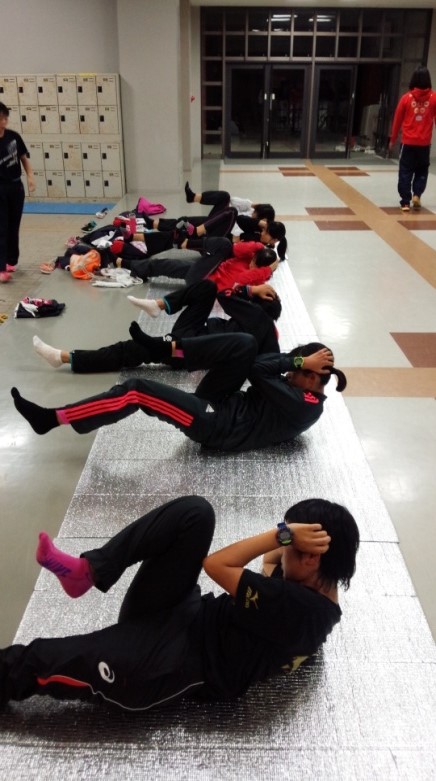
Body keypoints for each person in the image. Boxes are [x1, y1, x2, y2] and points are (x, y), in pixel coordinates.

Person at [0, 494, 360, 711]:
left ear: (312, 559)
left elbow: (216, 565)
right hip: (184, 613)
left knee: (38, 660)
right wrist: (290, 540)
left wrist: (282, 533)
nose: (280, 553)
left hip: (168, 664)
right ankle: (88, 571)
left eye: (288, 549)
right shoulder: (316, 588)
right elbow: (269, 564)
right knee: (195, 513)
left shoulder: (295, 606)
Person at [11, 335, 346, 452]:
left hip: (218, 426)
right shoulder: (299, 389)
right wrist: (297, 360)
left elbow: (259, 372)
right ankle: (169, 348)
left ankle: (54, 418)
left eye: (298, 371)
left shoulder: (307, 406)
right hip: (224, 404)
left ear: (315, 378)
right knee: (243, 344)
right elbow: (257, 361)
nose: (290, 373)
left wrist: (299, 360)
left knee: (137, 391)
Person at [32, 280, 282, 374]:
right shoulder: (266, 332)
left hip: (188, 350)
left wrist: (250, 290)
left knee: (131, 350)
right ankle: (158, 305)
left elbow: (226, 294)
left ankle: (64, 358)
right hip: (194, 335)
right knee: (204, 288)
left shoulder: (257, 318)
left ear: (261, 304)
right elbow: (273, 362)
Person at [389, 66, 436, 212]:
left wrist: (392, 139)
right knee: (422, 170)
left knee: (405, 170)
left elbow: (397, 120)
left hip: (408, 143)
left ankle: (405, 202)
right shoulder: (434, 98)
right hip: (424, 144)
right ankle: (417, 194)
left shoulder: (406, 98)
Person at [0, 102, 35, 283]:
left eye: (5, 118)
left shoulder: (13, 137)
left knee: (14, 226)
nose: (4, 121)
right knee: (1, 227)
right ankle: (1, 267)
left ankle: (11, 259)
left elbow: (23, 158)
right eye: (1, 118)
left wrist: (30, 177)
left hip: (15, 187)